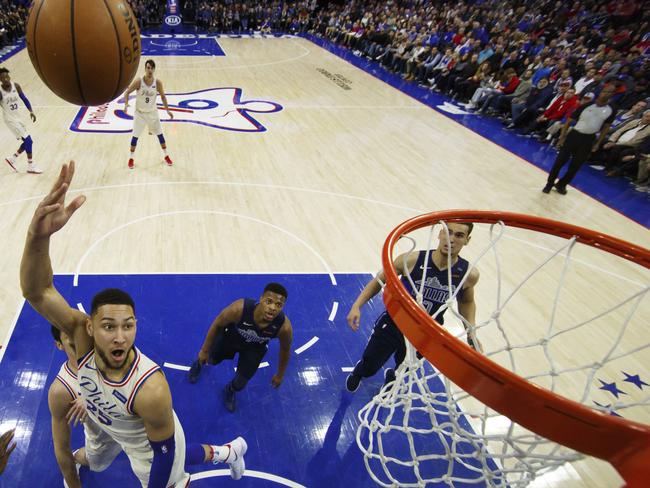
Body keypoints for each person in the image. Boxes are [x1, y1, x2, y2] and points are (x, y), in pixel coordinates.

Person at [20, 161, 247, 488]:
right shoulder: (81, 345)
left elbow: (166, 454)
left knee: (174, 462)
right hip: (105, 423)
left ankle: (228, 453)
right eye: (109, 326)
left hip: (150, 448)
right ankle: (229, 451)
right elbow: (37, 290)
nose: (120, 336)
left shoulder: (151, 389)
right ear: (89, 328)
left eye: (128, 326)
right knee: (95, 463)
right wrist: (36, 237)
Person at [345, 222, 480, 392]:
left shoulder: (468, 274)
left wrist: (471, 331)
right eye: (447, 232)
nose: (451, 239)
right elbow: (379, 280)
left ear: (467, 240)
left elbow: (466, 302)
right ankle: (360, 372)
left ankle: (392, 377)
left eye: (459, 235)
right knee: (371, 365)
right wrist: (357, 305)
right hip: (395, 323)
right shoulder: (411, 260)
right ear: (439, 234)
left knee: (405, 369)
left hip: (425, 333)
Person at [187, 283, 293, 413]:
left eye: (278, 305)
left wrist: (280, 375)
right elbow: (217, 323)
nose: (272, 308)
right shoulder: (239, 309)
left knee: (241, 382)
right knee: (210, 360)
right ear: (261, 299)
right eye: (269, 301)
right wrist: (204, 351)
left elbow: (285, 350)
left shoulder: (284, 328)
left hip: (255, 348)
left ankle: (230, 390)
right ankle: (199, 363)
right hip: (231, 338)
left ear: (282, 307)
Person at [543, 84, 617, 194]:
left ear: (613, 95)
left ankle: (561, 185)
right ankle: (549, 183)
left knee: (575, 166)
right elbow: (569, 121)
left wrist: (598, 143)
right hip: (574, 135)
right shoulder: (587, 105)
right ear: (601, 92)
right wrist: (562, 137)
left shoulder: (611, 110)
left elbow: (606, 128)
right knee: (559, 161)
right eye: (605, 91)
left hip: (589, 138)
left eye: (610, 92)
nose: (607, 94)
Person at [123, 60, 174, 170]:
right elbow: (126, 92)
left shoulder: (158, 83)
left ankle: (166, 156)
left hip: (152, 113)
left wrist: (168, 110)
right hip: (140, 114)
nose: (149, 70)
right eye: (148, 68)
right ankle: (131, 158)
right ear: (145, 69)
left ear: (154, 69)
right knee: (135, 137)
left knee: (160, 135)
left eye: (151, 68)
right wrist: (126, 105)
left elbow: (163, 97)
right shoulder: (139, 81)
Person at [0, 67, 41, 174]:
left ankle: (12, 159)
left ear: (9, 77)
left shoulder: (16, 86)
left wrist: (31, 111)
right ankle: (31, 165)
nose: (5, 79)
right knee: (28, 140)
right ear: (0, 80)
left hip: (18, 118)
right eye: (2, 77)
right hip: (10, 119)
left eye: (6, 76)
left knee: (29, 141)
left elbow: (24, 98)